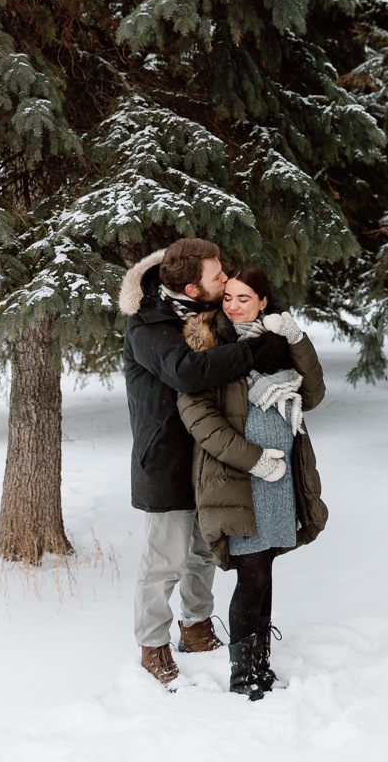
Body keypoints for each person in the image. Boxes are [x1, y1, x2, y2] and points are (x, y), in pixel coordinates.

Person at [118, 239, 291, 689]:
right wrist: (253, 354)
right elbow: (187, 372)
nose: (225, 279)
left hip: (209, 456)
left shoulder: (206, 308)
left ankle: (195, 627)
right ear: (194, 289)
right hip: (167, 460)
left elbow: (246, 298)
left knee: (203, 552)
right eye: (218, 277)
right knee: (165, 559)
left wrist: (270, 321)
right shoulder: (147, 327)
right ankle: (152, 643)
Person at [177, 266, 328, 701]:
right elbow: (198, 417)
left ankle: (259, 662)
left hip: (279, 481)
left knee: (265, 571)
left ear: (264, 302)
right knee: (252, 573)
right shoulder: (208, 342)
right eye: (228, 297)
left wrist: (297, 340)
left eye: (244, 298)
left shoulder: (278, 345)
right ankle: (244, 676)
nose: (233, 305)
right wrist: (255, 459)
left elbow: (313, 395)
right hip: (236, 478)